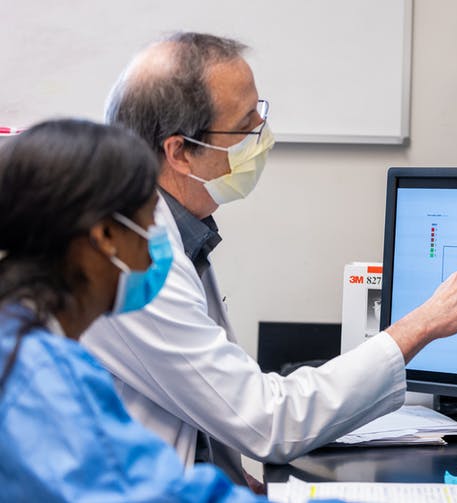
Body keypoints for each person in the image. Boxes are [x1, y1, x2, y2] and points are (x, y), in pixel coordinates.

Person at [82, 32, 457, 485]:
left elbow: (211, 407)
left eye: (260, 111)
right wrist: (422, 325)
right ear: (180, 152)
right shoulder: (131, 261)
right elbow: (267, 422)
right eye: (245, 123)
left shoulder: (169, 230)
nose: (262, 135)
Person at [0, 118, 266, 501]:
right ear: (105, 237)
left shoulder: (27, 345)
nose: (160, 244)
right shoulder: (44, 375)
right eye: (150, 223)